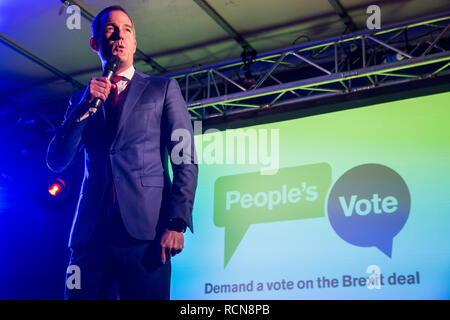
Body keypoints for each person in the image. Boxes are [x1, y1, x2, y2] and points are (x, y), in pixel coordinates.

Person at [47, 5, 198, 300]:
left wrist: (177, 221)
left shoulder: (163, 89)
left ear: (135, 43)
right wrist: (83, 108)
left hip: (147, 236)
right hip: (90, 238)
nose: (119, 36)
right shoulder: (81, 99)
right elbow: (56, 161)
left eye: (127, 30)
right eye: (110, 30)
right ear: (95, 44)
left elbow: (184, 158)